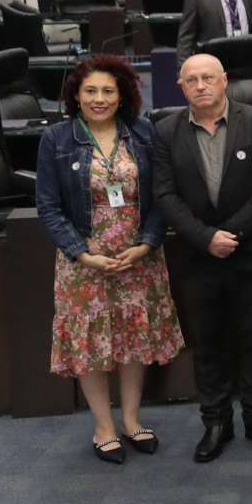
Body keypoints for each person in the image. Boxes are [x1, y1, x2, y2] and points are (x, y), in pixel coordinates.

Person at [35, 55, 183, 463]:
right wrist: (83, 255)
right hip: (84, 260)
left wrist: (148, 243)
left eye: (108, 91)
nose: (99, 99)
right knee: (91, 341)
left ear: (122, 97)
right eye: (90, 91)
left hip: (138, 256)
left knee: (135, 337)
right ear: (76, 96)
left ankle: (132, 419)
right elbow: (48, 207)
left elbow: (162, 195)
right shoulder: (57, 139)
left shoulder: (143, 133)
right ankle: (104, 425)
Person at [152, 54, 252, 462]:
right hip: (198, 256)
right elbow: (164, 194)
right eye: (191, 80)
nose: (200, 85)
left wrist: (234, 235)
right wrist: (206, 238)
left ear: (225, 80)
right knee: (207, 345)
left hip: (251, 252)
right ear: (181, 87)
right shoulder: (164, 131)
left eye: (207, 77)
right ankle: (215, 422)